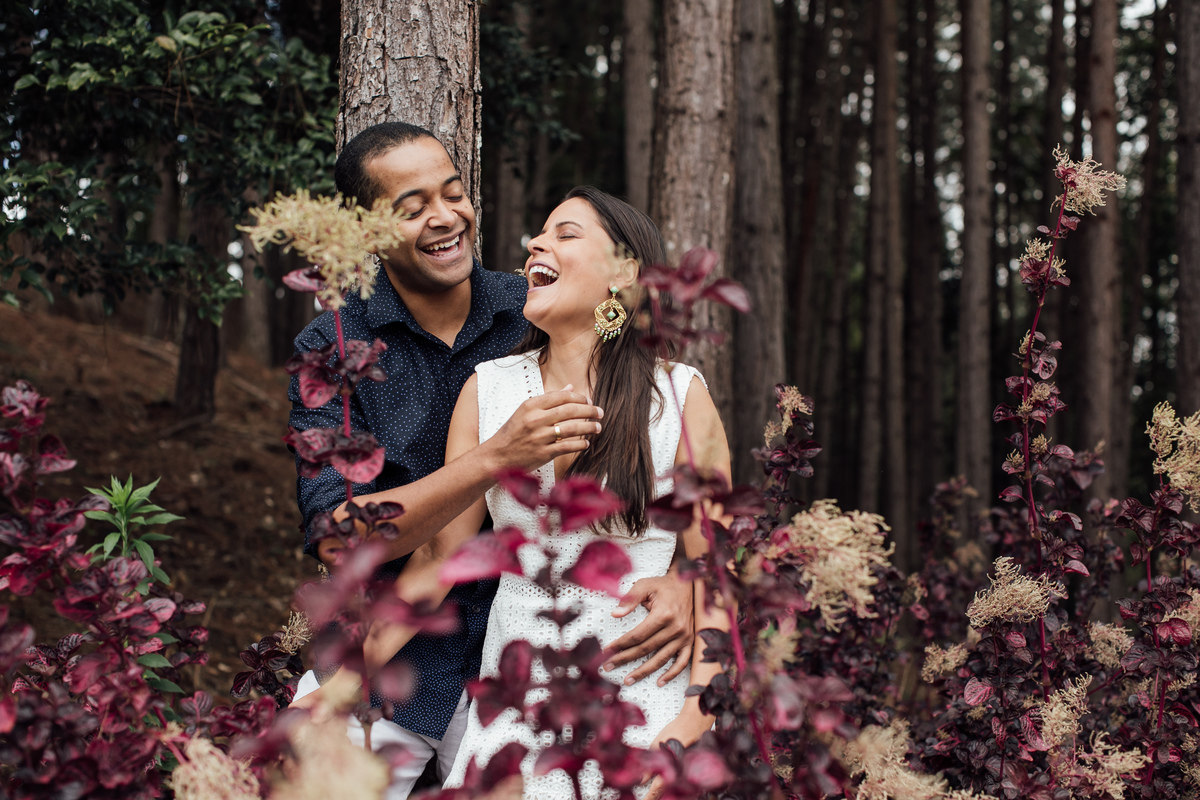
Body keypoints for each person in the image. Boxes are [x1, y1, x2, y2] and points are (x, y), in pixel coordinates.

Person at [286, 123, 696, 798]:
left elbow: (653, 422)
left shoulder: (533, 307)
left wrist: (684, 575)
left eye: (453, 193)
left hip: (531, 663)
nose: (445, 218)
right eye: (411, 209)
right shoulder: (331, 347)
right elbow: (339, 540)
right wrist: (491, 460)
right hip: (402, 658)